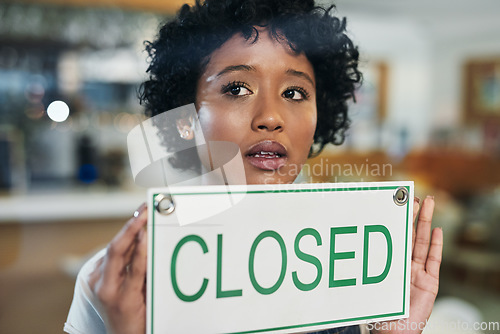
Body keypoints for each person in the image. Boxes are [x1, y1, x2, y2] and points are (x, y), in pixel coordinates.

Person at [64, 0, 443, 333]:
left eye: (294, 93)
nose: (270, 117)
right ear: (186, 118)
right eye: (236, 89)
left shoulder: (353, 263)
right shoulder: (118, 286)